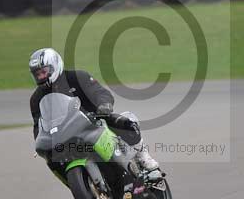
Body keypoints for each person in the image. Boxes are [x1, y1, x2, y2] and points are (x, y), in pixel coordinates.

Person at [29, 47, 162, 181]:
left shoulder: (77, 77)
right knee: (52, 158)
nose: (41, 76)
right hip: (65, 133)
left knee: (124, 120)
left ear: (55, 65)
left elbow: (100, 92)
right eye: (37, 74)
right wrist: (40, 141)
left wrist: (104, 105)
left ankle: (144, 158)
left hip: (95, 120)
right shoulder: (36, 99)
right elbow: (38, 125)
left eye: (43, 72)